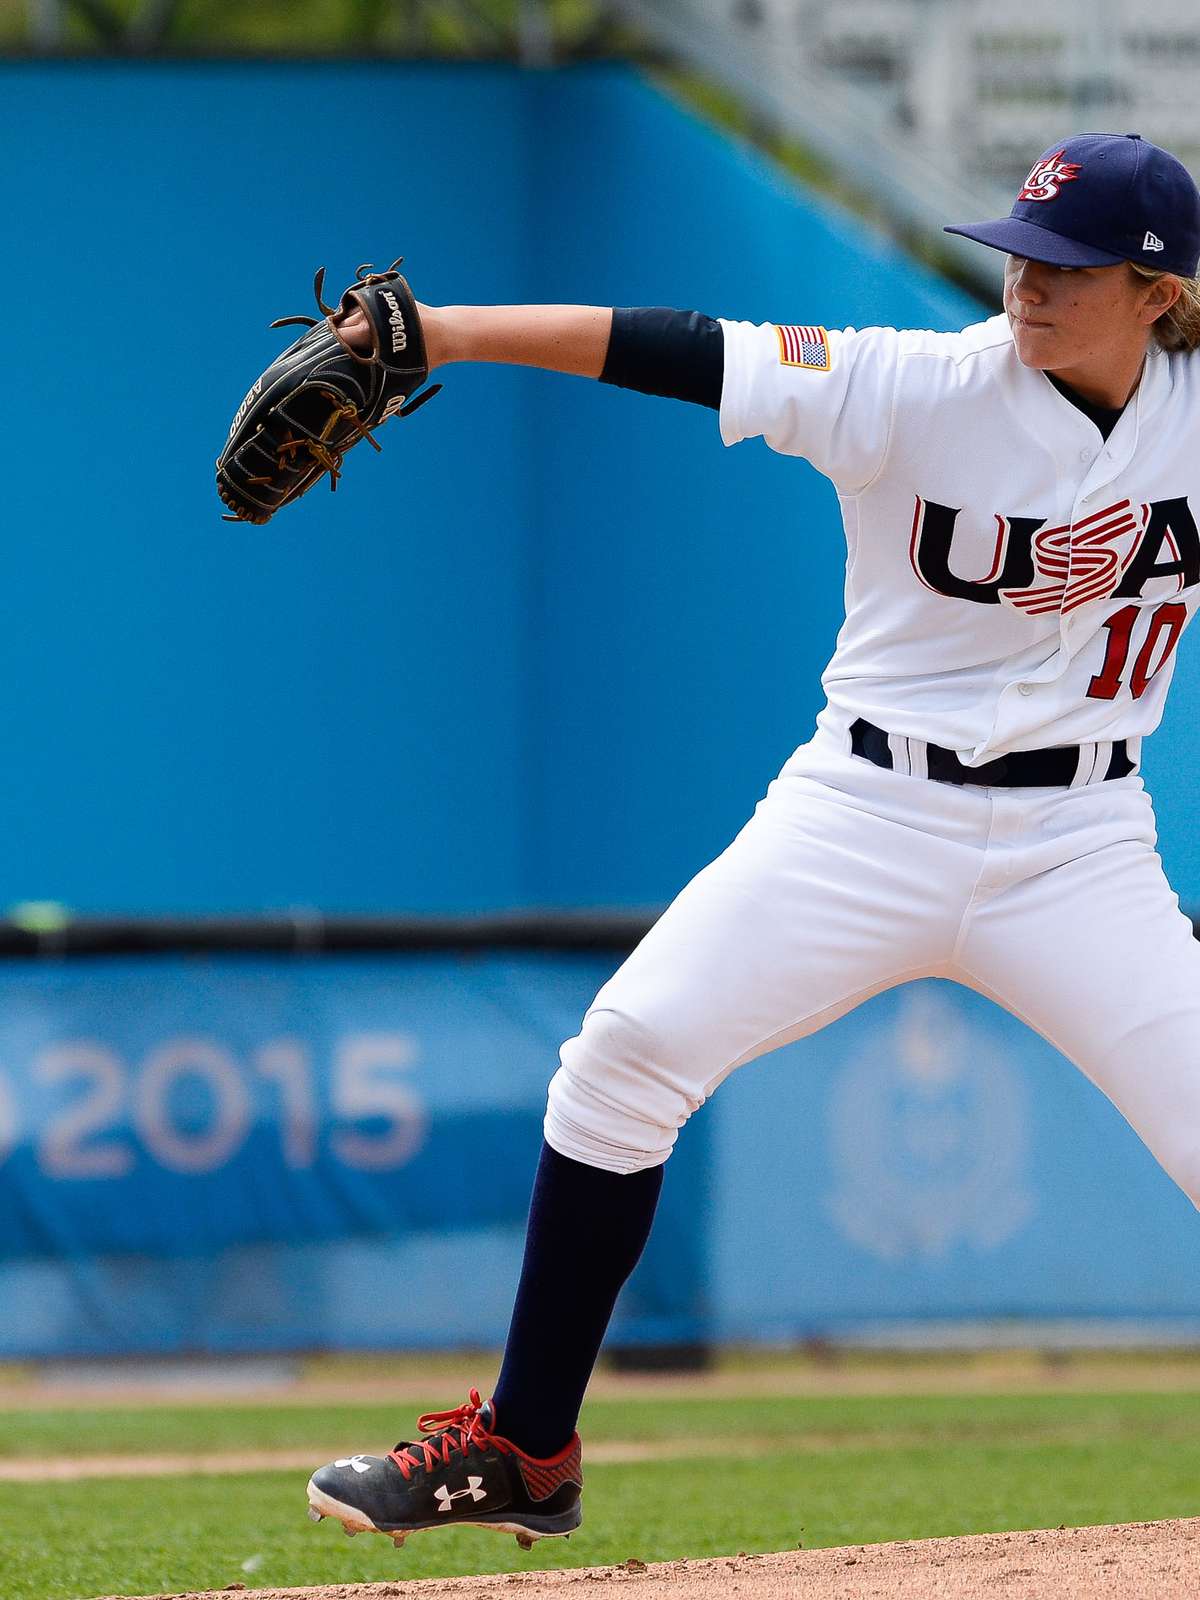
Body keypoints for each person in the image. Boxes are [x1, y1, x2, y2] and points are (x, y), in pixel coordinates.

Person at [306, 131, 1200, 1551]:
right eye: (1021, 252)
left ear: (1159, 292)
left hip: (1082, 839)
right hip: (867, 813)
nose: (1028, 282)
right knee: (621, 1061)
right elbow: (683, 348)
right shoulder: (920, 385)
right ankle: (525, 1448)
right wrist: (447, 335)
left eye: (1071, 265)